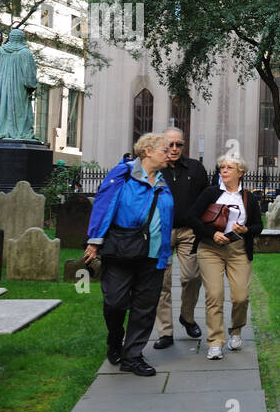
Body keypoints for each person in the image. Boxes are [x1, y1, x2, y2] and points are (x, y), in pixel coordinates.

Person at [82, 133, 174, 377]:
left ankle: (132, 356)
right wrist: (94, 241)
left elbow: (165, 222)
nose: (170, 153)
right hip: (122, 249)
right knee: (115, 301)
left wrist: (165, 255)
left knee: (144, 307)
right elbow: (105, 204)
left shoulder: (164, 182)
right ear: (147, 152)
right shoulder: (123, 174)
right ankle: (115, 339)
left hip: (153, 254)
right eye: (165, 149)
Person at [189, 154, 263, 360]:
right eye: (222, 167)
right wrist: (211, 233)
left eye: (229, 167)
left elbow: (259, 226)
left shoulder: (249, 198)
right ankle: (214, 341)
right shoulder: (211, 193)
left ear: (240, 172)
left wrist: (246, 228)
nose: (224, 170)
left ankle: (236, 331)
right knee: (214, 294)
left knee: (240, 297)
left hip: (238, 249)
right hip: (210, 248)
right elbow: (192, 217)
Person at [153, 126, 209, 349]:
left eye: (179, 144)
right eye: (170, 144)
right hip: (162, 232)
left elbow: (207, 198)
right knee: (162, 283)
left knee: (192, 277)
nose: (174, 149)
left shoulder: (195, 168)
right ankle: (165, 332)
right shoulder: (156, 168)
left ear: (184, 146)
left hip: (189, 231)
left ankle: (187, 316)